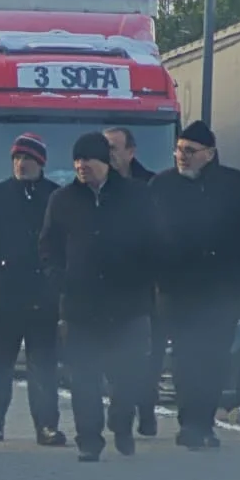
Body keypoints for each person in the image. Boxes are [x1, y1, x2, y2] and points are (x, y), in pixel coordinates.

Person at [150, 120, 240, 450]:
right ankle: (189, 424)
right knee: (186, 359)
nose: (182, 157)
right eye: (178, 150)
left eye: (190, 151)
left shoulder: (236, 185)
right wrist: (160, 277)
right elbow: (145, 238)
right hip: (178, 293)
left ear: (210, 154)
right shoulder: (161, 187)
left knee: (214, 359)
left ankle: (205, 423)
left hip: (222, 293)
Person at [39, 132, 158, 462]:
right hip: (81, 305)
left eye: (88, 159)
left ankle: (121, 422)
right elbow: (48, 246)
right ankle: (88, 439)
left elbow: (156, 240)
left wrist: (145, 277)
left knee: (128, 374)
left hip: (128, 304)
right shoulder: (63, 200)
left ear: (105, 162)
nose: (81, 166)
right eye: (77, 160)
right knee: (84, 376)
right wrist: (58, 279)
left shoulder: (136, 196)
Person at [0, 133, 66, 447]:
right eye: (17, 159)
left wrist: (55, 281)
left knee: (44, 367)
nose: (21, 164)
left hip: (42, 296)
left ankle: (47, 426)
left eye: (28, 159)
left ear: (41, 164)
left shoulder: (55, 197)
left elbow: (65, 244)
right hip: (5, 296)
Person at [105, 125, 162, 437]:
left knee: (144, 354)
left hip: (146, 288)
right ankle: (121, 405)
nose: (109, 154)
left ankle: (146, 409)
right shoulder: (94, 189)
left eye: (114, 147)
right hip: (107, 288)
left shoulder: (149, 185)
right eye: (105, 148)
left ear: (131, 152)